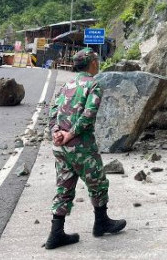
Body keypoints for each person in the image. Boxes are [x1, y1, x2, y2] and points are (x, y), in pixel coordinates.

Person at [45, 47, 126, 250]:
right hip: (81, 146)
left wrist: (57, 133)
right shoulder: (94, 85)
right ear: (92, 63)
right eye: (96, 61)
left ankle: (56, 234)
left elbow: (53, 111)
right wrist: (71, 134)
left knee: (64, 187)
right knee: (98, 183)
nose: (97, 64)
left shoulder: (66, 85)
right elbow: (89, 114)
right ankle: (101, 223)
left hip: (61, 148)